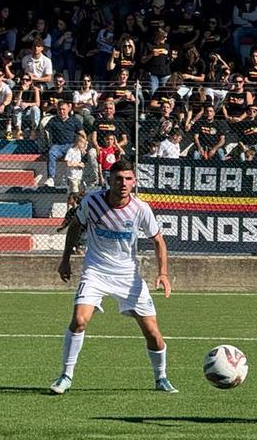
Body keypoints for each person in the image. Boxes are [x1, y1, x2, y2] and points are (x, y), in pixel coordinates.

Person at [50, 159, 176, 395]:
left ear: (134, 181)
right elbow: (76, 225)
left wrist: (163, 274)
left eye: (128, 179)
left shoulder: (140, 209)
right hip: (95, 271)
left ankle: (161, 378)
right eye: (118, 179)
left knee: (152, 333)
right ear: (110, 180)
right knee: (79, 320)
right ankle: (66, 376)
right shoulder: (92, 201)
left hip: (128, 276)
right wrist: (65, 259)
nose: (123, 183)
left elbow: (158, 240)